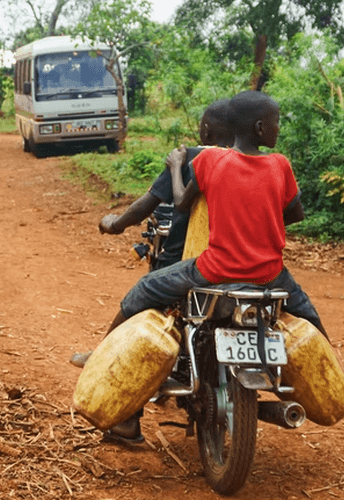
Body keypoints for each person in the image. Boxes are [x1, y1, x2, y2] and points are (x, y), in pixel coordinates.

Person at [93, 90, 327, 445]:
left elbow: (181, 203)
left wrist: (175, 167)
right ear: (262, 128)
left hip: (213, 270)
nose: (278, 129)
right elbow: (295, 214)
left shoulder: (204, 163)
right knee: (308, 316)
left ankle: (105, 368)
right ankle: (328, 374)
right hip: (268, 273)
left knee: (142, 293)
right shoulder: (280, 165)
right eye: (277, 124)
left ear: (207, 131)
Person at [68, 99, 234, 369]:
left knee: (142, 298)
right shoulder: (256, 161)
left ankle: (101, 356)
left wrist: (115, 224)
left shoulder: (192, 157)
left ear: (206, 130)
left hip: (189, 261)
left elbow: (147, 205)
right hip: (243, 262)